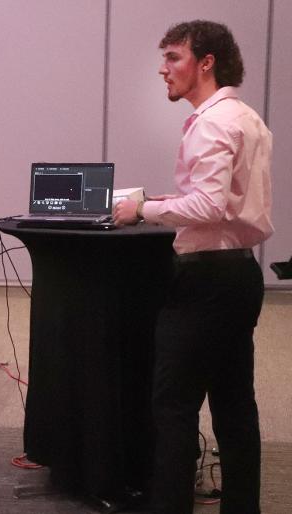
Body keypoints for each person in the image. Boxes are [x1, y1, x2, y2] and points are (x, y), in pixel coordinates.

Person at [112, 21, 272, 513]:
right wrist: (169, 201)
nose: (164, 69)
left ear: (207, 62)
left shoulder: (212, 122)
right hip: (240, 274)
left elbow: (206, 206)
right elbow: (225, 202)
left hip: (204, 282)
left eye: (174, 58)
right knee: (234, 406)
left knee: (173, 408)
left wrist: (143, 210)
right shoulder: (246, 116)